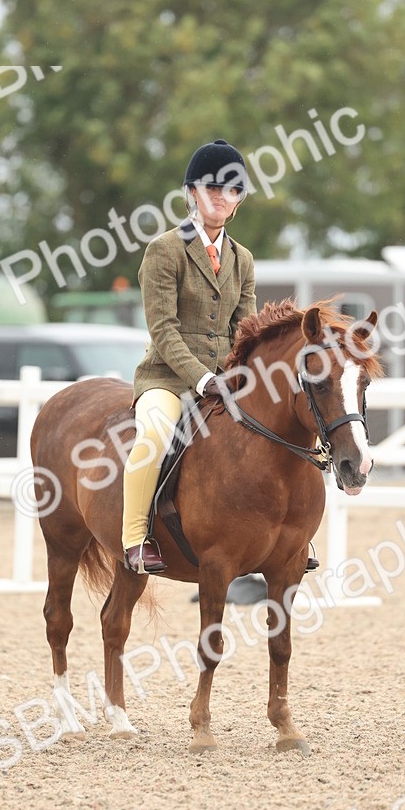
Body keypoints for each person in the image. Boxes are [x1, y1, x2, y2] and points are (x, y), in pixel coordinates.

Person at [122, 138, 257, 573]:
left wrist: (246, 374)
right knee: (155, 436)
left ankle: (282, 538)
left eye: (232, 189)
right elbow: (163, 330)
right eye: (212, 187)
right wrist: (202, 379)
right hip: (167, 378)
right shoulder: (165, 249)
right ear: (192, 194)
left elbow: (246, 330)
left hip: (223, 377)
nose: (222, 196)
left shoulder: (243, 259)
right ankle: (135, 537)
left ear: (239, 201)